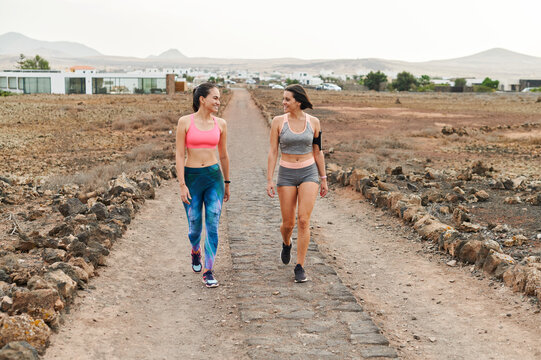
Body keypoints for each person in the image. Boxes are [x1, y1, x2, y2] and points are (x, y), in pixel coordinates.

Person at [266, 84, 328, 283]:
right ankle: (286, 243)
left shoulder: (314, 122)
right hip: (286, 174)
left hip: (309, 172)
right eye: (283, 99)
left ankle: (300, 266)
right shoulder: (278, 122)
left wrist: (323, 178)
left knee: (303, 220)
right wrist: (269, 179)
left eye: (287, 99)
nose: (283, 102)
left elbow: (318, 151)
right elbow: (273, 151)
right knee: (288, 223)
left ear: (298, 102)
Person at [175, 82, 230, 288]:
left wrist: (227, 182)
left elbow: (223, 154)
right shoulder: (185, 122)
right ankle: (195, 249)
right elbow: (180, 154)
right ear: (202, 99)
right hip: (192, 178)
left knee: (213, 223)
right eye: (215, 97)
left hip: (214, 177)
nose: (218, 101)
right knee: (195, 225)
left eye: (219, 98)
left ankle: (208, 270)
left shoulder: (221, 124)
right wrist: (182, 184)